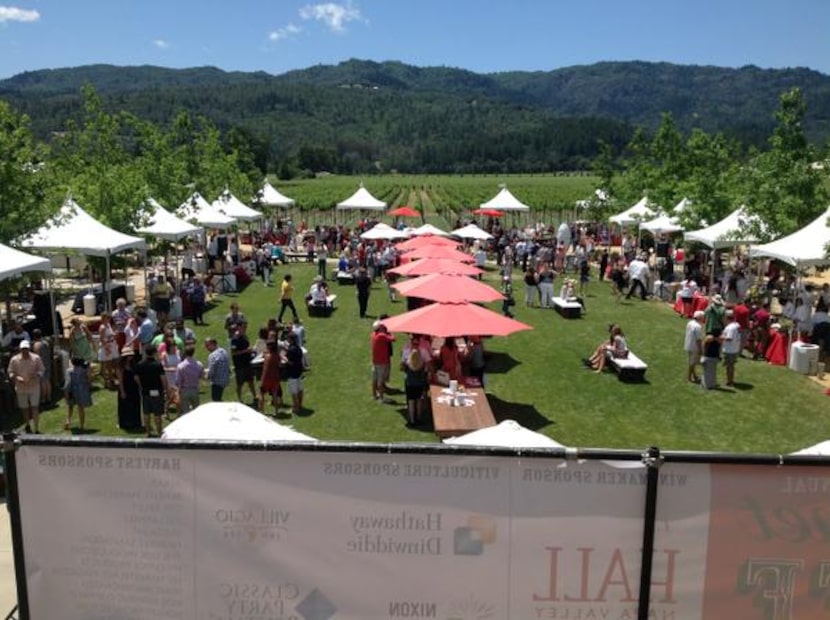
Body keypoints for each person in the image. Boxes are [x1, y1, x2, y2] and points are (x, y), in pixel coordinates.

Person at [8, 340, 45, 433]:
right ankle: (28, 424)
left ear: (29, 348)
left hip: (34, 386)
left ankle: (36, 428)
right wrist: (17, 377)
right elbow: (10, 372)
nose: (25, 351)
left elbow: (42, 370)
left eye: (27, 349)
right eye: (23, 349)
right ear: (20, 349)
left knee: (35, 407)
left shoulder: (36, 358)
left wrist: (36, 375)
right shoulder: (14, 359)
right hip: (21, 388)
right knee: (24, 408)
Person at [134, 344, 168, 437]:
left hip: (145, 391)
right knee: (157, 414)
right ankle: (159, 432)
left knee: (146, 413)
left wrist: (141, 386)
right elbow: (163, 379)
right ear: (154, 353)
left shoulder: (140, 364)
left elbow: (136, 377)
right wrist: (166, 390)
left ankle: (148, 432)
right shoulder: (157, 364)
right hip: (157, 391)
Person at [230, 321, 257, 406]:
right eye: (244, 327)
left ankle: (255, 397)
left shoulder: (244, 336)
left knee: (251, 381)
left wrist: (251, 350)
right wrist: (246, 351)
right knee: (240, 383)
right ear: (238, 327)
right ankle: (240, 399)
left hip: (247, 363)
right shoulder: (235, 339)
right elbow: (233, 353)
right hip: (239, 365)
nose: (245, 329)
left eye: (246, 327)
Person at [116, 346, 142, 431]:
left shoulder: (134, 365)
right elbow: (120, 380)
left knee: (135, 405)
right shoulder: (120, 367)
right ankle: (125, 423)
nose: (130, 357)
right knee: (125, 406)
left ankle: (135, 422)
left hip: (133, 388)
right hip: (125, 387)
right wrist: (122, 391)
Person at [402, 348, 428, 427]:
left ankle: (412, 420)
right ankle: (419, 418)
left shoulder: (408, 364)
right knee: (419, 402)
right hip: (419, 385)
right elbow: (424, 374)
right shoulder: (422, 364)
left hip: (409, 384)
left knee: (411, 402)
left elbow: (403, 369)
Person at [64, 357, 92, 431]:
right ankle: (81, 425)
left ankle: (68, 421)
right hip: (82, 390)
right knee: (81, 408)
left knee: (70, 407)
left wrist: (66, 393)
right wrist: (89, 385)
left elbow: (68, 383)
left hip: (72, 391)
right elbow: (89, 379)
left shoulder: (69, 371)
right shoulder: (84, 370)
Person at [371, 321, 396, 402]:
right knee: (380, 381)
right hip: (382, 361)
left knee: (374, 379)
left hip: (375, 361)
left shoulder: (373, 334)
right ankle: (382, 398)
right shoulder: (381, 335)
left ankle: (375, 395)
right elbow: (393, 339)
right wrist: (390, 332)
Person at [175, 345, 204, 414]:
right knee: (196, 411)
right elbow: (201, 376)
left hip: (184, 390)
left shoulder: (180, 366)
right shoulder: (199, 364)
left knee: (185, 412)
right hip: (195, 389)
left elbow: (178, 381)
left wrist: (178, 390)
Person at [159, 334, 182, 417]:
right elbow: (163, 368)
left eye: (174, 345)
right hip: (169, 377)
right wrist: (172, 369)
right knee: (170, 396)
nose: (174, 347)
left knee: (178, 394)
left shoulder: (178, 352)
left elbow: (180, 363)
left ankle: (179, 412)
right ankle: (166, 411)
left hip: (177, 377)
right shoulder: (164, 355)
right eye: (172, 345)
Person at [259, 339, 283, 415]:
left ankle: (262, 411)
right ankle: (276, 411)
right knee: (275, 394)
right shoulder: (277, 356)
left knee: (262, 393)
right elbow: (279, 364)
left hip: (266, 377)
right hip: (275, 377)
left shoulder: (266, 355)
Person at [283, 331, 305, 415]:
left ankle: (296, 408)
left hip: (292, 373)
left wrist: (284, 358)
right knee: (300, 389)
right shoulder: (298, 348)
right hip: (299, 371)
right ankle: (300, 405)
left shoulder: (291, 350)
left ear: (291, 340)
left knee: (294, 392)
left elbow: (290, 362)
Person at [205, 336, 231, 402]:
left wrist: (206, 377)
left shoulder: (213, 355)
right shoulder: (224, 351)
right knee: (218, 398)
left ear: (213, 344)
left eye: (208, 345)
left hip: (217, 381)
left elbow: (212, 371)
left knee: (216, 400)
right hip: (225, 379)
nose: (206, 348)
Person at [97, 313, 119, 389]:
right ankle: (108, 382)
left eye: (109, 318)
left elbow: (110, 334)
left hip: (111, 345)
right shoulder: (102, 327)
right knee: (108, 365)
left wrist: (114, 334)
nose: (109, 319)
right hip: (107, 347)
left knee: (113, 363)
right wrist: (107, 348)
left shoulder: (108, 325)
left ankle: (111, 379)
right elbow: (102, 339)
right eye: (107, 318)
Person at [31, 329, 52, 406]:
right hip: (47, 363)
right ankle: (49, 398)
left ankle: (43, 399)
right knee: (47, 381)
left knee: (42, 382)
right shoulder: (46, 342)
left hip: (41, 365)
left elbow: (36, 357)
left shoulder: (36, 345)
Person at [721, 309, 742, 387]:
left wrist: (721, 337)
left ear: (727, 317)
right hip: (735, 348)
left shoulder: (730, 328)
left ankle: (730, 381)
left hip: (729, 350)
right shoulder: (737, 325)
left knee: (729, 366)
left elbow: (729, 338)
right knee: (731, 366)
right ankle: (729, 380)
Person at [684, 310, 705, 383]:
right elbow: (698, 339)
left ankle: (694, 376)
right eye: (702, 317)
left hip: (688, 344)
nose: (703, 318)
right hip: (694, 346)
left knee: (691, 361)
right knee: (692, 363)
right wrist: (700, 349)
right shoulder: (698, 326)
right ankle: (689, 377)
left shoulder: (690, 323)